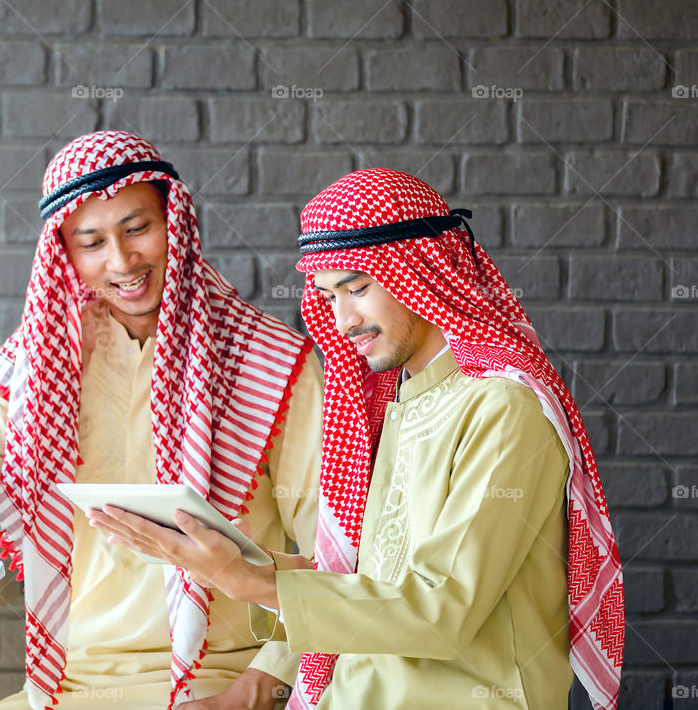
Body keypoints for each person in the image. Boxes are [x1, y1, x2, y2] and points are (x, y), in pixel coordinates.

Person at [92, 168, 625, 709]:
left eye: (358, 288)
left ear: (422, 270)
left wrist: (245, 582)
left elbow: (440, 610)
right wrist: (237, 562)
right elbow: (372, 579)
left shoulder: (503, 408)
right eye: (328, 295)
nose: (342, 319)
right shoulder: (393, 401)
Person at [0, 131, 323, 710]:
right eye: (92, 241)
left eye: (137, 228)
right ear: (65, 253)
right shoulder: (43, 359)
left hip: (221, 677)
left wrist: (257, 688)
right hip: (74, 681)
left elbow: (338, 551)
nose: (122, 262)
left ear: (174, 221)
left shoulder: (273, 360)